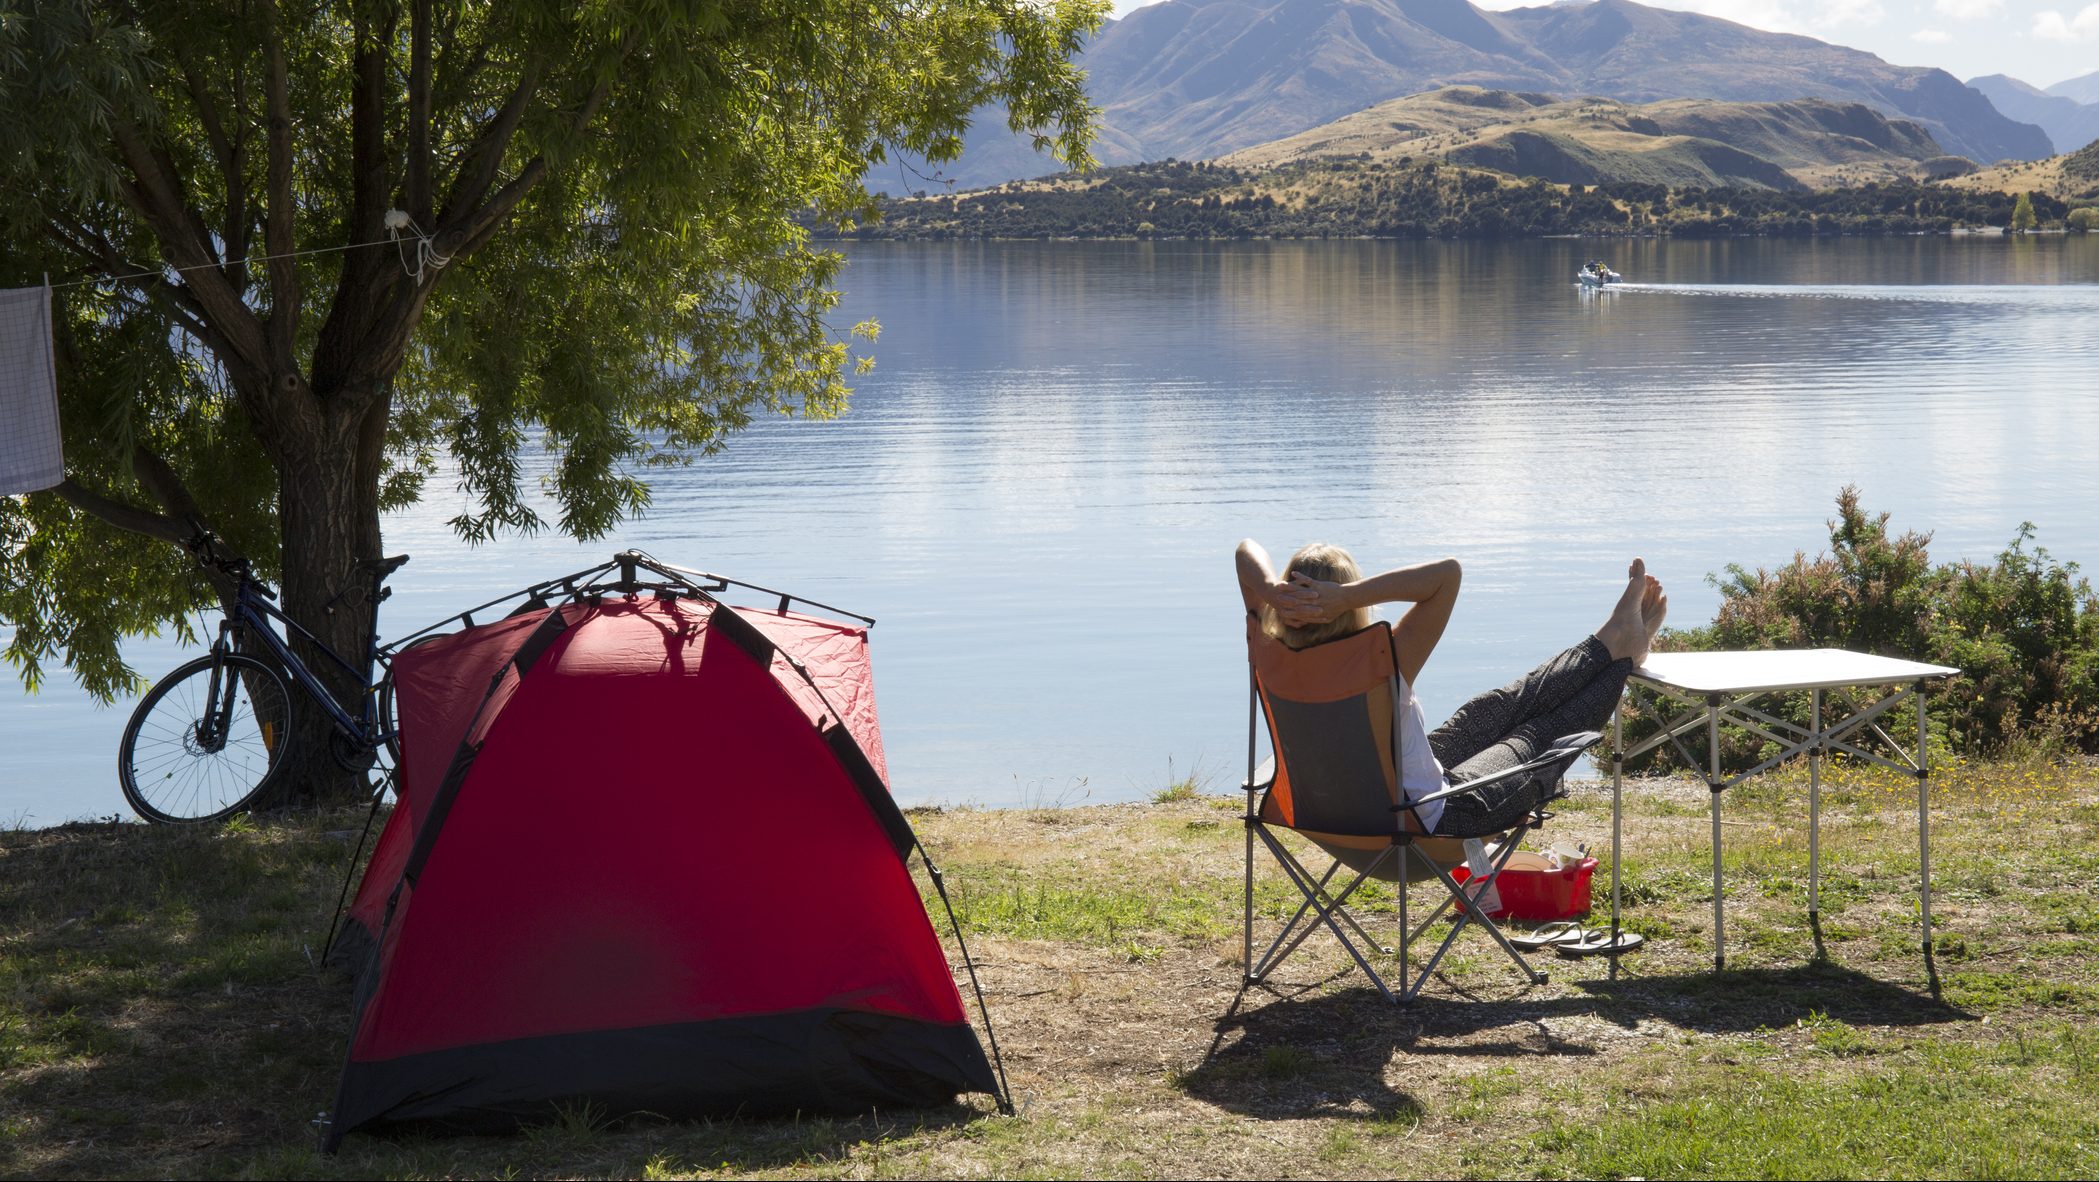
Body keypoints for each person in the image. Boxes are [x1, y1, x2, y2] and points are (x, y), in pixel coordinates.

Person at [1235, 540, 1666, 836]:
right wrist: (1346, 595)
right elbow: (1447, 574)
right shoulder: (1379, 659)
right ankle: (1624, 654)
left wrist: (1272, 591)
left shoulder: (1269, 651)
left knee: (1494, 707)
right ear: (1349, 607)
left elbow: (1243, 552)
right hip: (1431, 822)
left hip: (1335, 813)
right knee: (1534, 734)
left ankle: (1614, 642)